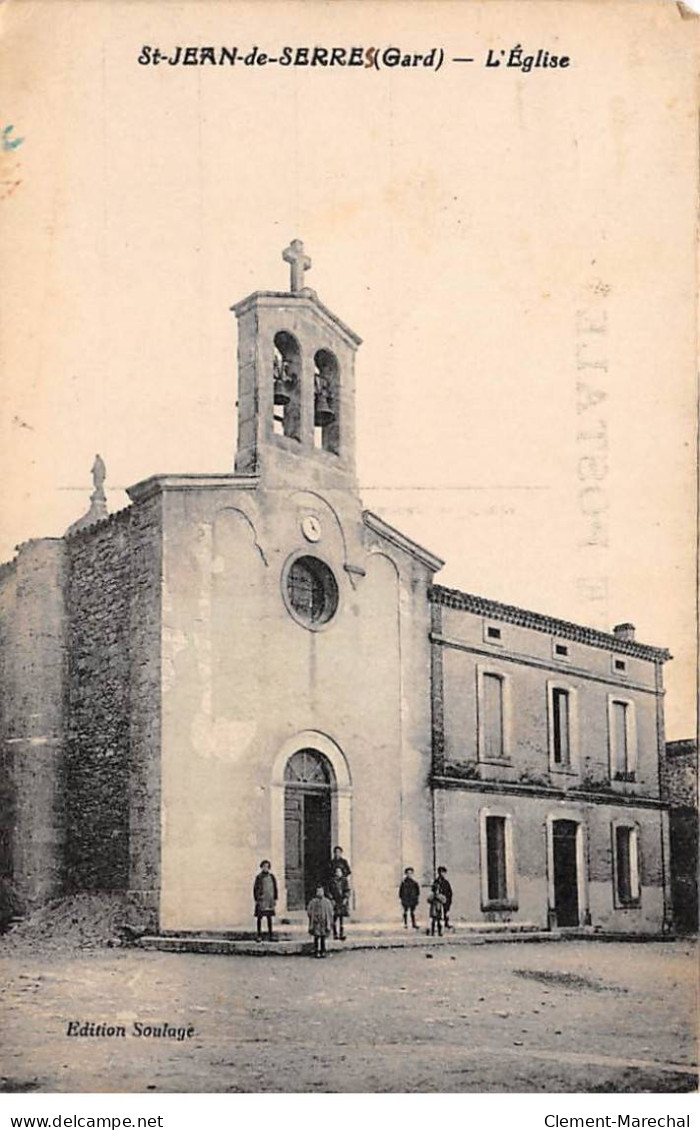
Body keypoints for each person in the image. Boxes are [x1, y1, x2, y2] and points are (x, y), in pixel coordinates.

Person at [253, 859, 278, 941]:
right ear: (261, 867)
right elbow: (255, 889)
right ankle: (259, 935)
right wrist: (257, 899)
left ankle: (271, 935)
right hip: (261, 900)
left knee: (269, 918)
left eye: (267, 866)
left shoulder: (272, 877)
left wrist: (275, 898)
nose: (265, 868)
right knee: (259, 918)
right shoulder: (259, 877)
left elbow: (275, 888)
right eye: (264, 866)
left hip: (269, 901)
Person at [307, 885, 334, 958]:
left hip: (324, 922)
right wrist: (313, 917)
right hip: (316, 922)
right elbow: (309, 911)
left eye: (321, 891)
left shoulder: (327, 902)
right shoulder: (313, 902)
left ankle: (323, 951)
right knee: (316, 937)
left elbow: (330, 911)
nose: (320, 893)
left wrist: (328, 920)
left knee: (323, 937)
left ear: (323, 892)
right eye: (318, 891)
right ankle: (316, 951)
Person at [328, 866, 351, 940]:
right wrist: (331, 899)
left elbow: (347, 890)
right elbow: (328, 891)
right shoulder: (332, 881)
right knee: (334, 918)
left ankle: (341, 934)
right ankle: (335, 934)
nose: (338, 873)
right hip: (335, 901)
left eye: (339, 872)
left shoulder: (344, 880)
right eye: (337, 872)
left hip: (342, 901)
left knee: (341, 920)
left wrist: (345, 898)